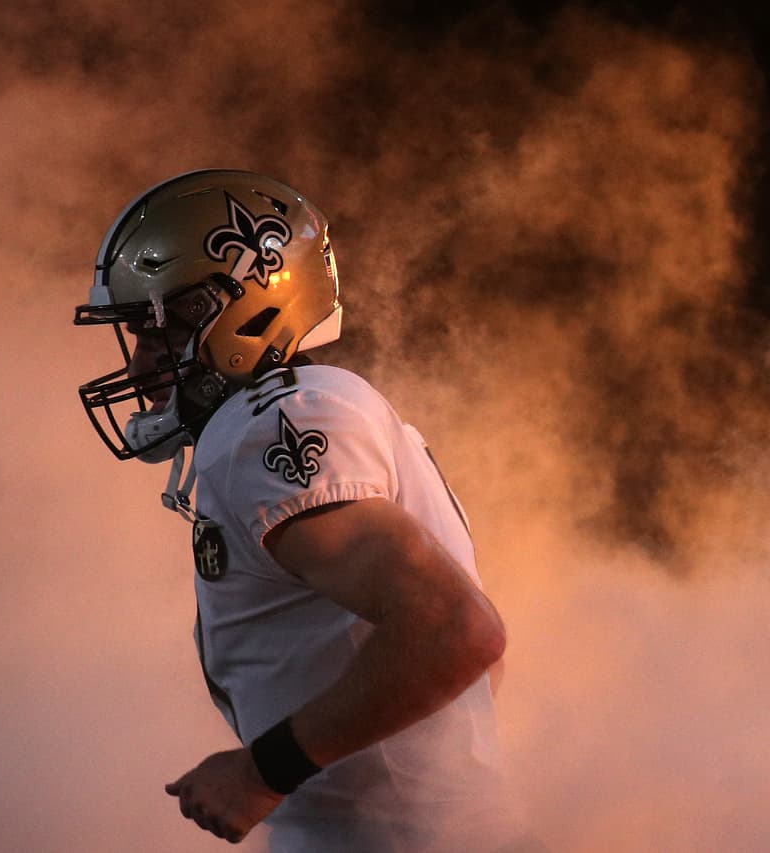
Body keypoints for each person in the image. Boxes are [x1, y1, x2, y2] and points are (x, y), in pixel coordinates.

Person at [74, 170, 530, 851]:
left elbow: (456, 632)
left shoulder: (273, 420)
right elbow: (468, 663)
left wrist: (265, 770)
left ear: (239, 314)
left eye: (157, 337)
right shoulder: (310, 404)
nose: (140, 371)